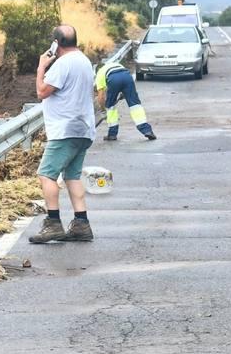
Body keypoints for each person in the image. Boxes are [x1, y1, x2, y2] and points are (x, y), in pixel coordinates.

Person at [29, 25, 96, 244]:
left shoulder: (63, 64)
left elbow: (42, 92)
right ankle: (81, 224)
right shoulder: (84, 61)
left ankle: (53, 223)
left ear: (56, 44)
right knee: (72, 176)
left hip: (64, 130)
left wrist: (41, 67)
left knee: (46, 174)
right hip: (83, 129)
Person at [94, 53, 156, 142]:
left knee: (111, 107)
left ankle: (112, 134)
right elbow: (122, 79)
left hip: (113, 78)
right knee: (135, 105)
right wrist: (123, 92)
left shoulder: (99, 74)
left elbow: (101, 96)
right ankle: (147, 130)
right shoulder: (115, 64)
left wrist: (104, 109)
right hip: (127, 76)